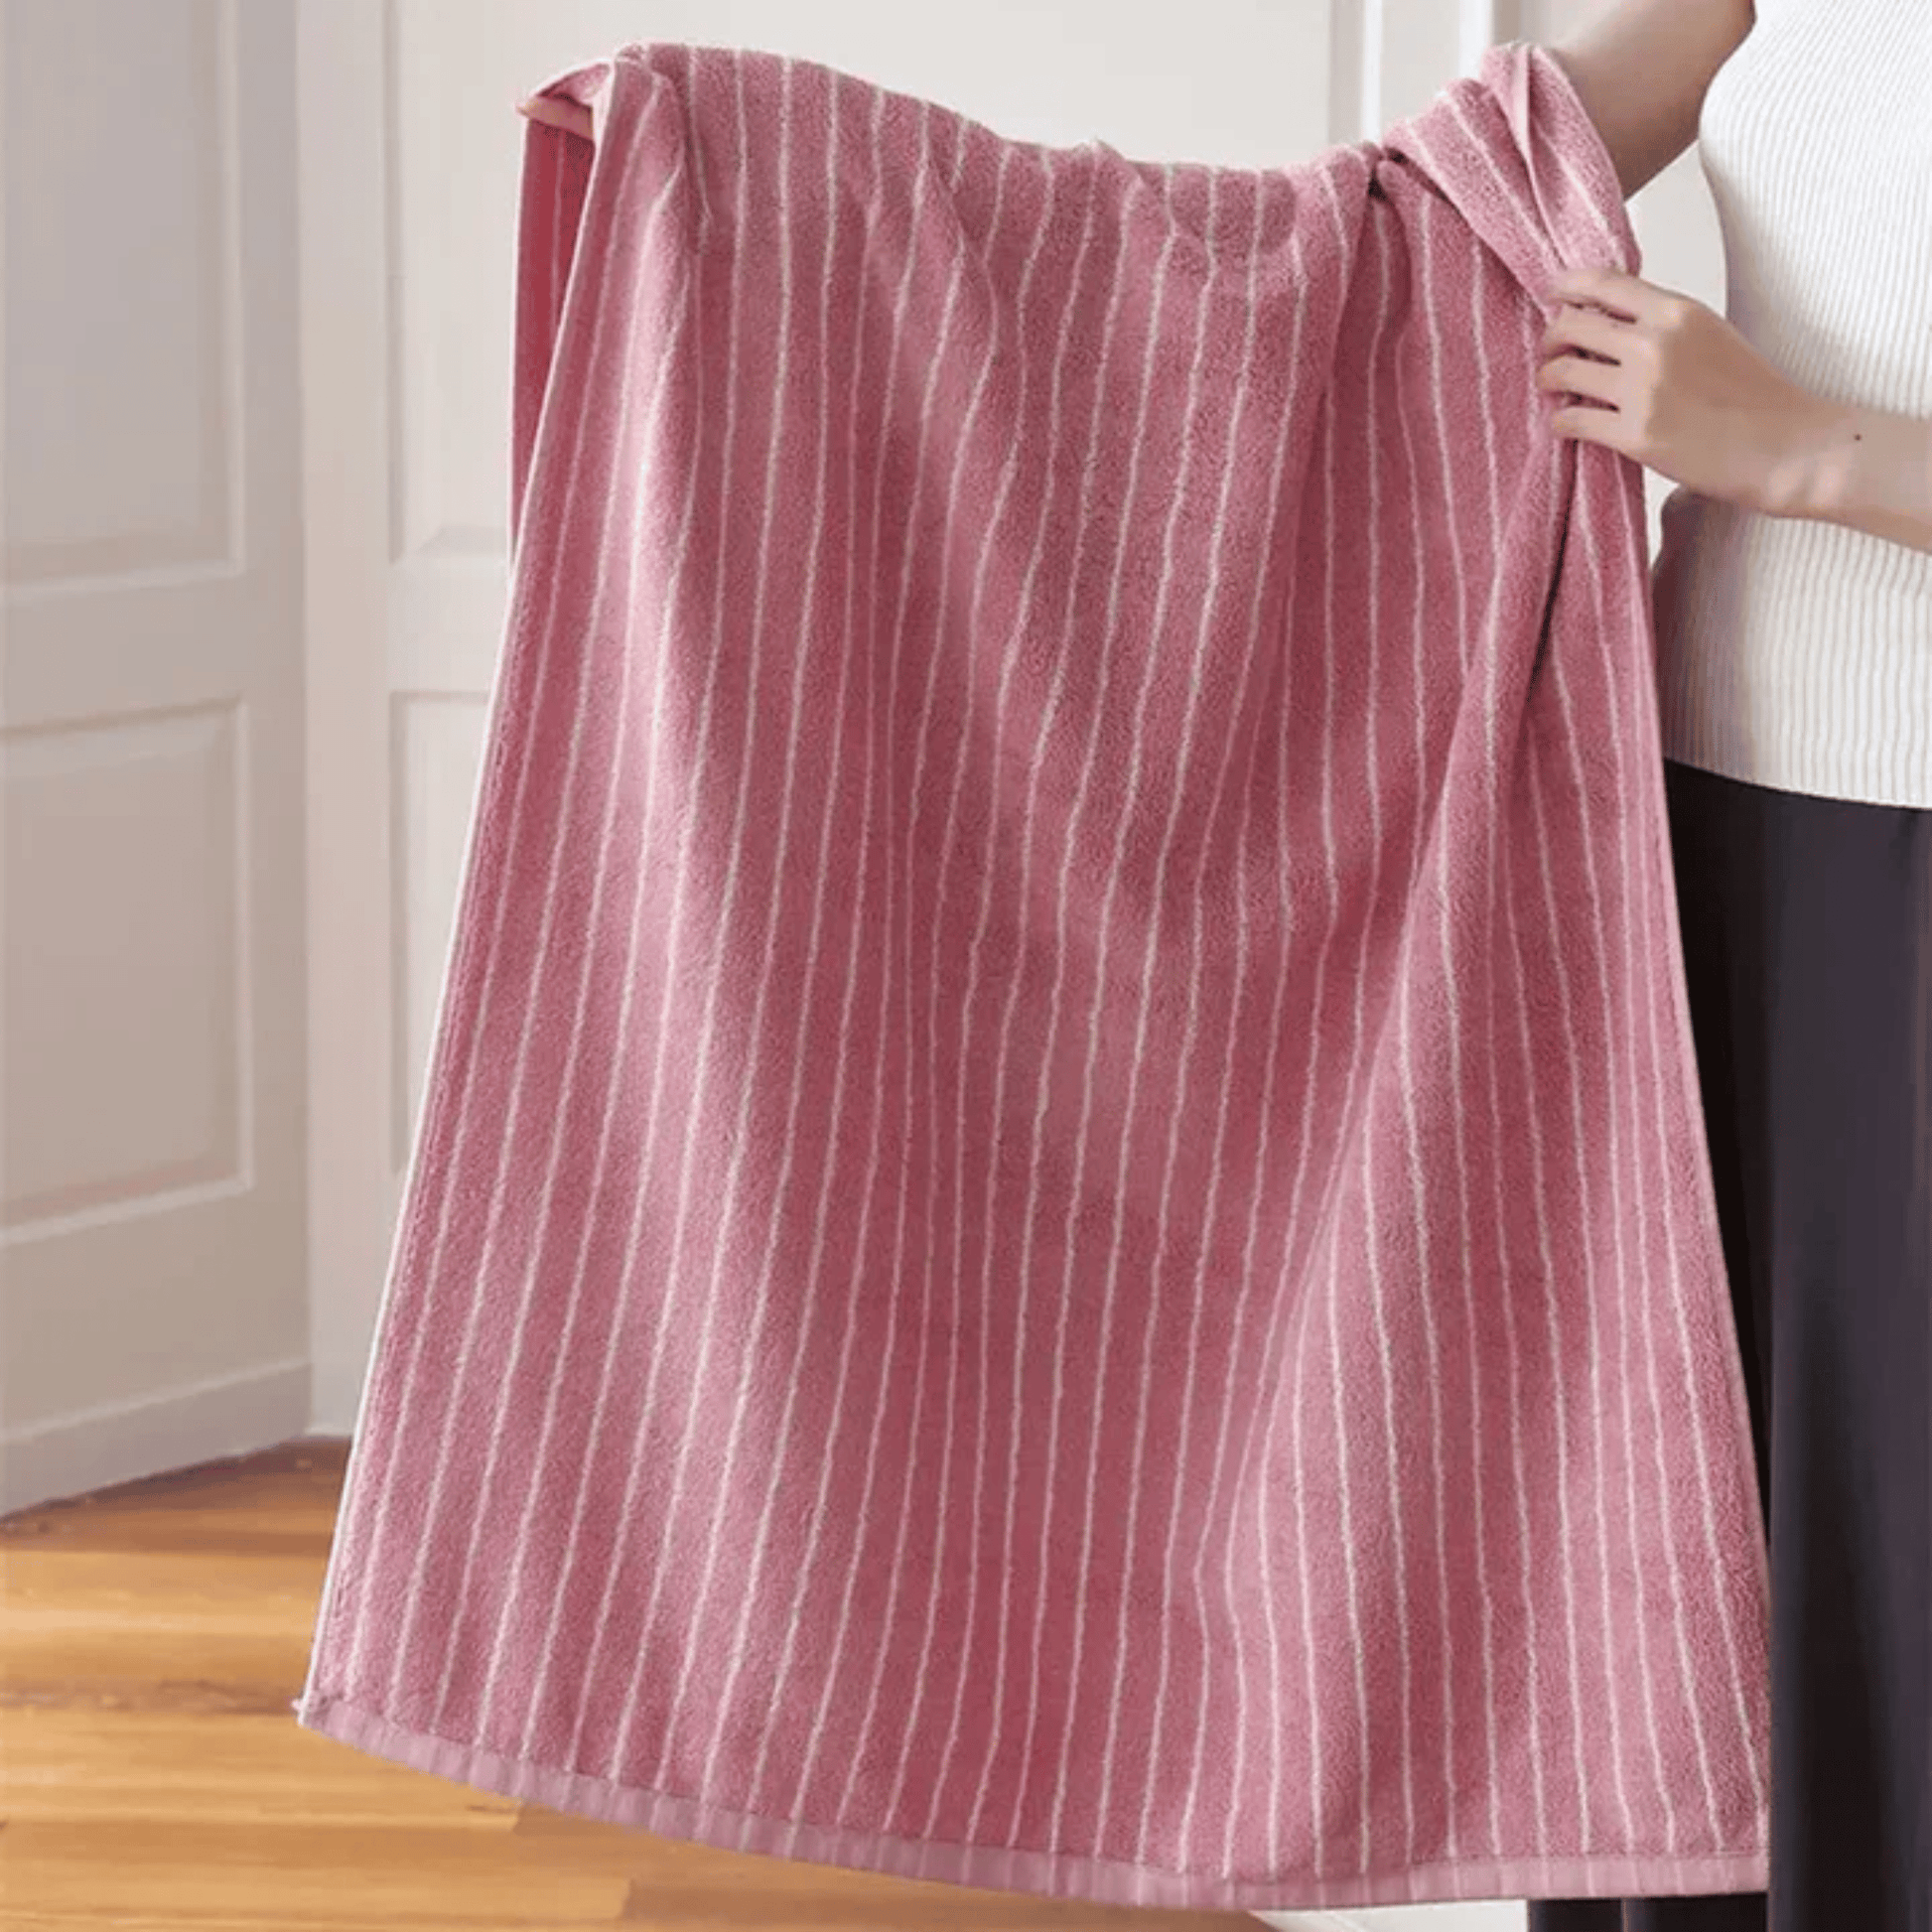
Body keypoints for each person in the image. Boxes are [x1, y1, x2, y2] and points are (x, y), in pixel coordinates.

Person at [1524, 0, 1932, 1927]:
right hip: (1690, 838)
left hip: (1912, 880)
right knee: (1682, 1575)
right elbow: (1487, 167)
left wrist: (1799, 448)